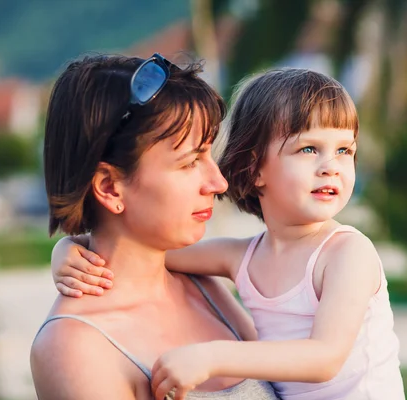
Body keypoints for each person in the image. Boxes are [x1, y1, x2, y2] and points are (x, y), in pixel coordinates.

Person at [52, 68, 405, 399]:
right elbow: (140, 250)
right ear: (254, 168)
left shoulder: (346, 253)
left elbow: (325, 358)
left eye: (345, 150)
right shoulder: (242, 257)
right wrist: (71, 247)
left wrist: (213, 357)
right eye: (309, 149)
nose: (331, 167)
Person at [30, 53, 280, 400]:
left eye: (208, 155)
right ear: (109, 187)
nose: (218, 182)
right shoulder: (76, 347)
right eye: (190, 162)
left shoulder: (203, 285)